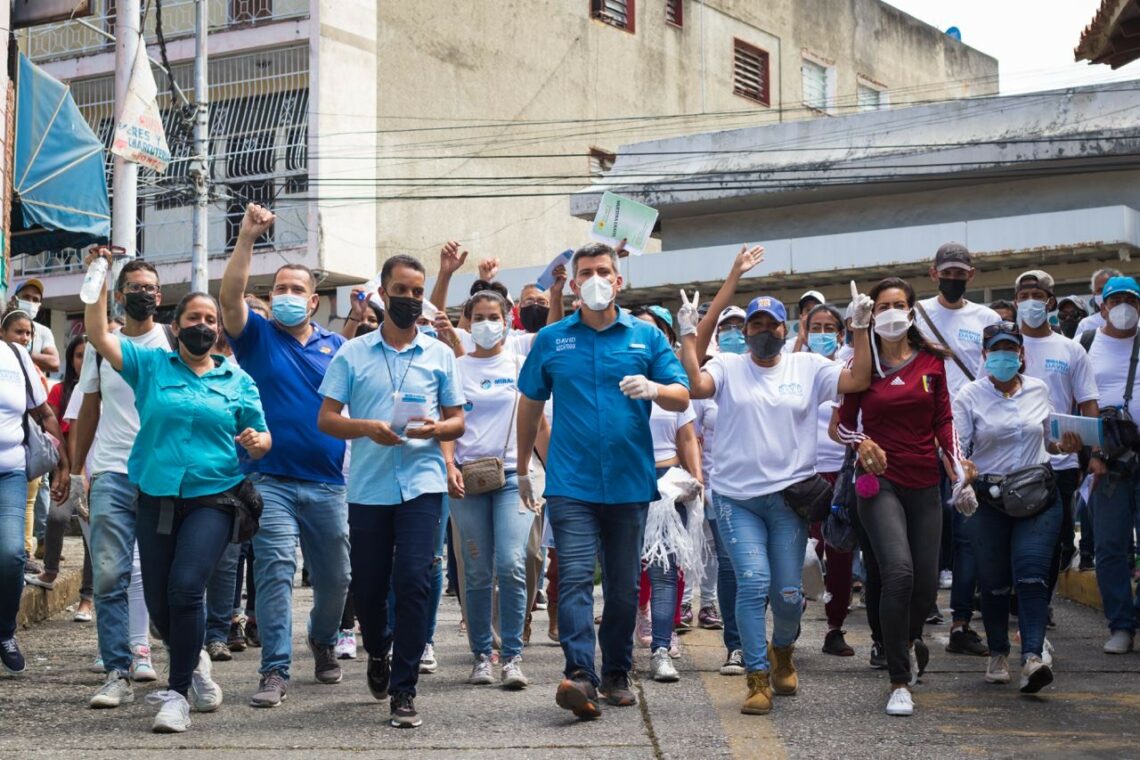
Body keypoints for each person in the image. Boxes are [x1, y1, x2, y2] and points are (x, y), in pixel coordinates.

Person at [678, 247, 873, 716]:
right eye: (756, 325)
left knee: (788, 594)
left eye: (773, 325)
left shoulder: (807, 368)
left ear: (788, 331)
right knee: (752, 581)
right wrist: (693, 328)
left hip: (789, 498)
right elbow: (695, 381)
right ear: (744, 332)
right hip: (735, 498)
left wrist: (861, 328)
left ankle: (783, 649)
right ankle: (757, 678)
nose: (764, 332)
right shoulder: (727, 366)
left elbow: (860, 377)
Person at [85, 257, 270, 733]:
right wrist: (100, 282)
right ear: (176, 324)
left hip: (214, 497)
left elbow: (262, 433)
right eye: (194, 318)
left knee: (187, 588)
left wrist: (256, 440)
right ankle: (195, 666)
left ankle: (178, 693)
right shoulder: (149, 364)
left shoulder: (236, 378)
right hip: (157, 496)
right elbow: (101, 336)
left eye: (211, 320)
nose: (204, 326)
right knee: (162, 605)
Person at [515, 241, 690, 720]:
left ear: (619, 280)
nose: (595, 278)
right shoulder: (551, 339)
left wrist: (655, 388)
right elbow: (529, 403)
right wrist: (521, 468)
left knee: (621, 587)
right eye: (586, 271)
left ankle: (615, 670)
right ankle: (580, 676)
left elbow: (681, 394)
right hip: (571, 484)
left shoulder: (645, 338)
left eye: (604, 271)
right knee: (572, 578)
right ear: (573, 283)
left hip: (631, 483)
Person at [318, 254, 465, 730]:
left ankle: (404, 689)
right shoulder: (352, 353)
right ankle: (377, 651)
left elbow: (458, 420)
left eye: (417, 292)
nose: (409, 299)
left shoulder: (440, 353)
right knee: (369, 585)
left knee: (416, 581)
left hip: (422, 484)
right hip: (369, 486)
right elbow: (327, 418)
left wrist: (436, 430)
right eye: (400, 290)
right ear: (383, 294)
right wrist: (366, 427)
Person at [219, 203, 352, 708]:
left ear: (314, 301)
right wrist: (248, 237)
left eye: (298, 289)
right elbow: (230, 296)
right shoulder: (256, 336)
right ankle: (274, 669)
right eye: (281, 288)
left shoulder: (337, 346)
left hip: (327, 483)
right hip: (269, 479)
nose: (288, 295)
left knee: (336, 577)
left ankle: (321, 640)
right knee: (274, 569)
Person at [836, 276, 968, 717]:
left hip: (925, 482)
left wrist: (958, 466)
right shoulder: (862, 364)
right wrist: (861, 443)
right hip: (878, 482)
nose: (891, 311)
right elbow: (840, 424)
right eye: (883, 305)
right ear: (871, 312)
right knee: (899, 572)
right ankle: (898, 679)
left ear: (911, 311)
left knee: (926, 587)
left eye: (899, 304)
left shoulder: (931, 362)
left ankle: (908, 641)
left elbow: (944, 419)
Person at [73, 259, 178, 709]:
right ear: (120, 295)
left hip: (164, 475)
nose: (145, 293)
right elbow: (90, 409)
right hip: (114, 472)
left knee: (169, 577)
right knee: (112, 574)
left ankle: (185, 666)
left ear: (160, 295)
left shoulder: (174, 342)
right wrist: (77, 469)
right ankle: (117, 670)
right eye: (135, 286)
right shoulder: (104, 347)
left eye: (151, 287)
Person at [954, 321, 1079, 693]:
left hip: (1037, 494)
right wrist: (964, 467)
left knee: (1032, 576)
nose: (1004, 357)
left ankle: (1033, 658)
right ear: (985, 356)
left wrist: (1065, 445)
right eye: (997, 350)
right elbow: (957, 448)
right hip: (989, 499)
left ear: (1022, 355)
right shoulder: (968, 396)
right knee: (992, 583)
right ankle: (998, 652)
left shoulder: (1039, 390)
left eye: (1011, 350)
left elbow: (1050, 441)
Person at [444, 289, 550, 690]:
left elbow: (538, 424)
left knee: (512, 562)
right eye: (480, 317)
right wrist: (449, 464)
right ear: (467, 323)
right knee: (476, 570)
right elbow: (446, 421)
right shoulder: (454, 368)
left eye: (495, 316)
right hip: (466, 479)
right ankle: (481, 655)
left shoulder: (522, 365)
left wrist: (551, 474)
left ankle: (512, 656)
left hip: (514, 477)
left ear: (508, 319)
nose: (488, 323)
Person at [914, 243, 1000, 659]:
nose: (953, 278)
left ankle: (962, 622)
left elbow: (993, 375)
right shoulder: (916, 314)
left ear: (972, 274)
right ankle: (921, 605)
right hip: (921, 435)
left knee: (967, 534)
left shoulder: (987, 318)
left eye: (960, 272)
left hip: (969, 439)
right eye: (946, 271)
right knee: (925, 530)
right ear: (933, 273)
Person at [1013, 270, 1100, 621]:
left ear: (1050, 301)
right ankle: (1015, 598)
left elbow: (1088, 402)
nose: (1030, 301)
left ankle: (1039, 602)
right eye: (1023, 295)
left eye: (1038, 294)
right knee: (1009, 538)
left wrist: (1094, 453)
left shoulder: (1071, 349)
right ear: (1016, 301)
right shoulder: (1003, 346)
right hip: (1010, 462)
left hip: (1059, 465)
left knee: (1055, 541)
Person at [630, 305, 701, 683]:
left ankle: (661, 646)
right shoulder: (616, 374)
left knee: (665, 571)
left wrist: (696, 480)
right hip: (625, 480)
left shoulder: (670, 381)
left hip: (667, 483)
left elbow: (687, 435)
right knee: (623, 570)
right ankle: (619, 654)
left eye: (651, 331)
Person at [0, 313, 69, 675]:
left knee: (11, 554)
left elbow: (44, 413)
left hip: (8, 471)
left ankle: (5, 632)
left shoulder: (15, 356)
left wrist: (62, 464)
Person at [1082, 275, 1140, 654]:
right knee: (1110, 546)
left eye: (1131, 300)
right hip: (1107, 462)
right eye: (1115, 300)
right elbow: (1075, 397)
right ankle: (1121, 624)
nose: (1123, 307)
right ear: (1101, 306)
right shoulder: (1086, 343)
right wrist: (1090, 454)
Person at [25, 336, 94, 621]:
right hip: (66, 468)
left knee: (92, 535)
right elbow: (52, 430)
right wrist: (64, 468)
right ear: (70, 359)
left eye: (88, 355)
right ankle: (50, 570)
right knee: (56, 517)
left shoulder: (103, 389)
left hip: (97, 471)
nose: (83, 361)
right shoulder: (60, 392)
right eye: (78, 355)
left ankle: (87, 599)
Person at [804, 304, 857, 657]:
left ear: (840, 334)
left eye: (829, 327)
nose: (822, 333)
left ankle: (834, 627)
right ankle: (789, 621)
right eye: (815, 327)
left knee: (839, 553)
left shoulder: (850, 369)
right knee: (801, 556)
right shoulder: (792, 367)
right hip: (801, 474)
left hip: (840, 473)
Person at [698, 306, 747, 676]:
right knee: (731, 566)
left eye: (739, 327)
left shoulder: (766, 369)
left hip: (770, 489)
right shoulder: (709, 377)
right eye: (725, 327)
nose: (733, 333)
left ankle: (780, 638)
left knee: (768, 575)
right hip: (722, 491)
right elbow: (693, 437)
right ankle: (737, 646)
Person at [8, 278, 60, 374]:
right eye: (26, 297)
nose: (30, 302)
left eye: (35, 299)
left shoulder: (44, 331)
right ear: (13, 300)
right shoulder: (3, 325)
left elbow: (54, 362)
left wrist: (20, 352)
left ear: (39, 307)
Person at [1075, 267, 1123, 338]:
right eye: (1100, 290)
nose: (1104, 294)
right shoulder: (1085, 325)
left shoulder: (1135, 321)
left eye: (1108, 288)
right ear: (1093, 293)